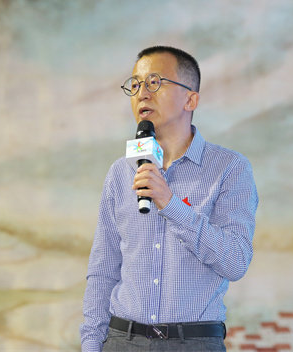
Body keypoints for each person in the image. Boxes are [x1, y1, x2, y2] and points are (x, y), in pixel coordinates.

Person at [80, 46, 258, 352]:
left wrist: (171, 204)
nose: (142, 94)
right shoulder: (121, 172)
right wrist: (91, 345)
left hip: (194, 342)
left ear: (191, 99)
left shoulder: (229, 168)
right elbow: (103, 269)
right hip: (123, 341)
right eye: (135, 85)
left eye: (154, 82)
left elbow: (235, 262)